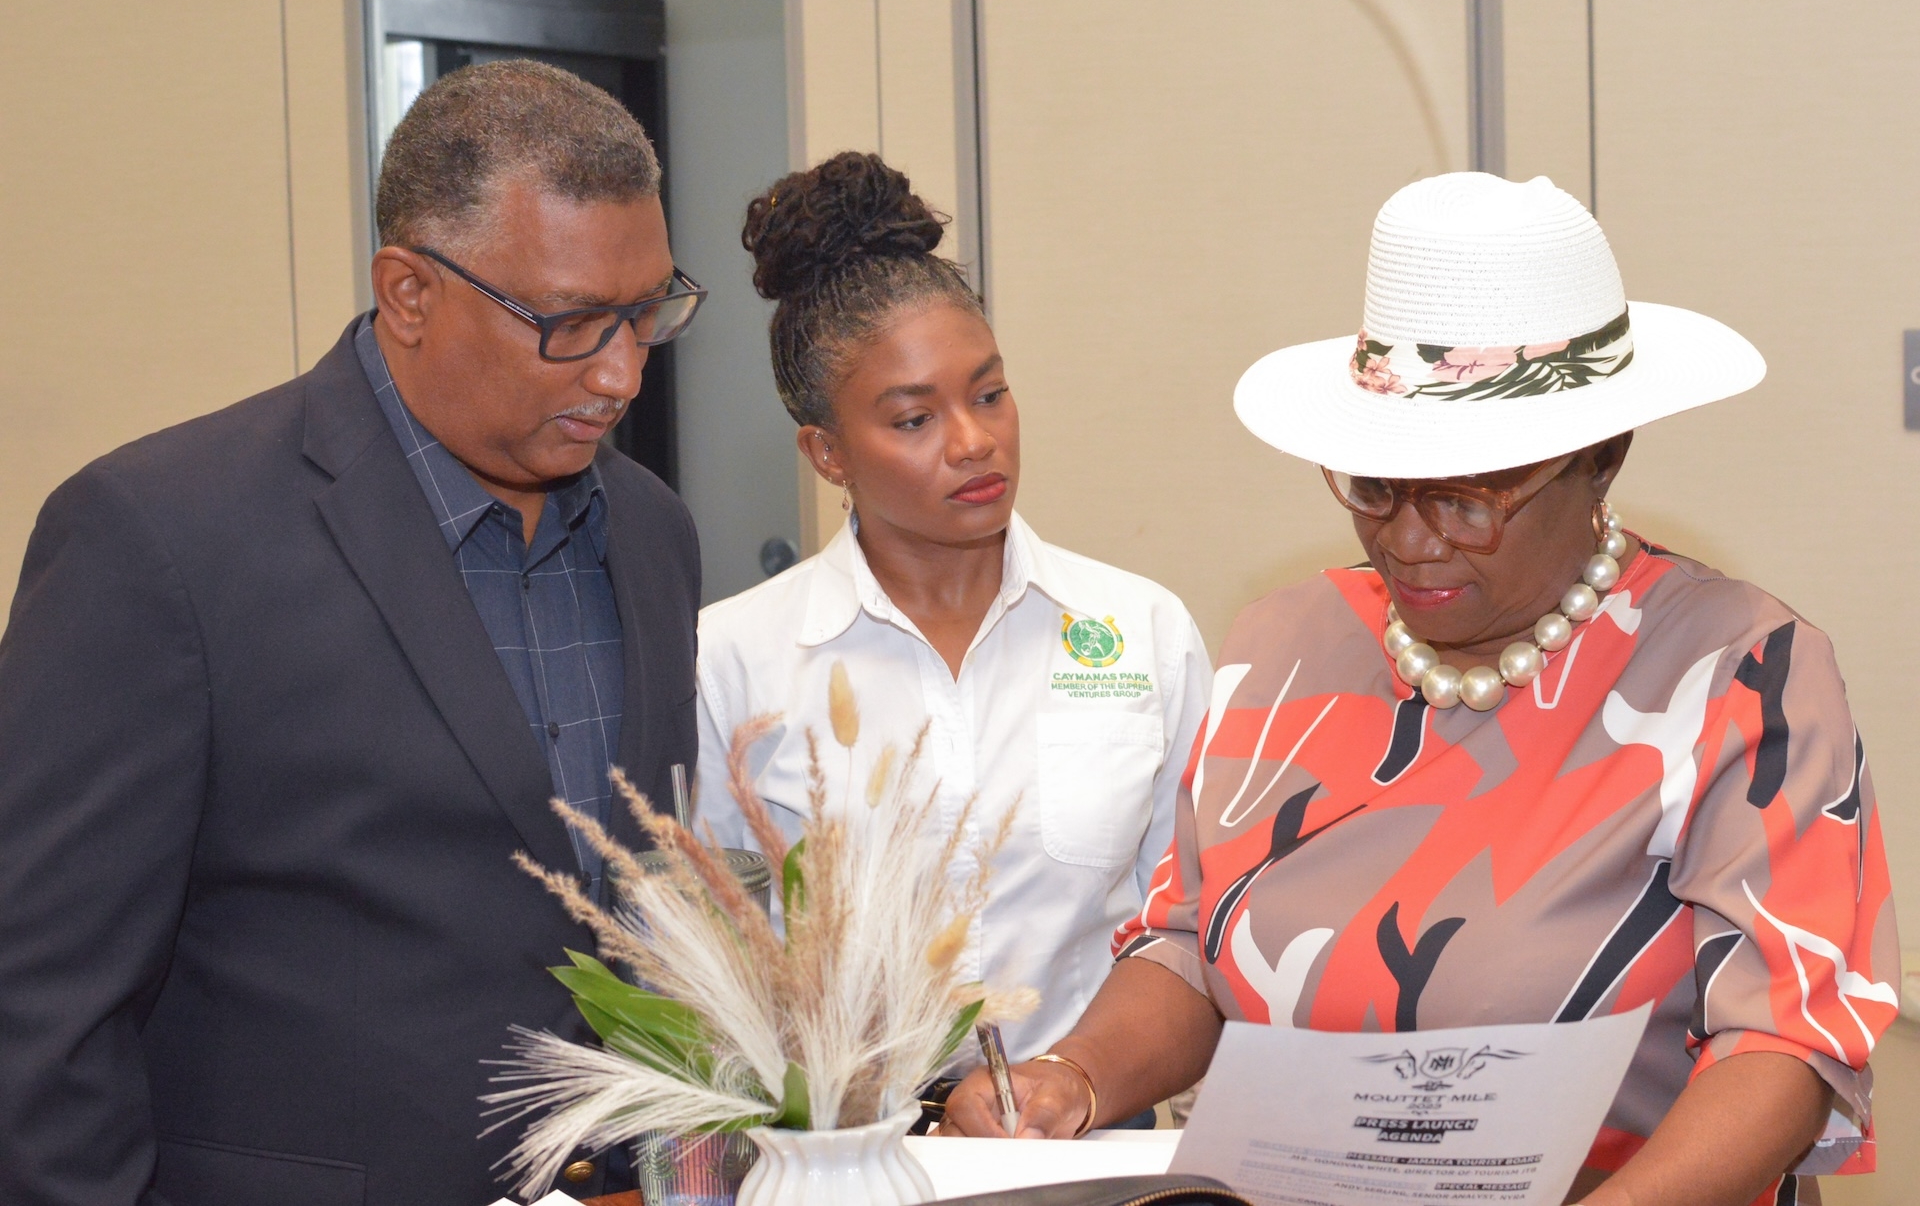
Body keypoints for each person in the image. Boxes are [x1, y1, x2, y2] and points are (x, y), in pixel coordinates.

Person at [940, 173, 1897, 1206]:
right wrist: (1071, 1078)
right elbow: (1190, 945)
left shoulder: (1741, 670)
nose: (1410, 535)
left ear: (1600, 458)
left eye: (1472, 494)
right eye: (1378, 484)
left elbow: (1789, 1042)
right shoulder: (1283, 644)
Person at [0, 60, 706, 1206]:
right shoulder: (162, 538)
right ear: (410, 291)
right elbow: (37, 1002)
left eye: (648, 311)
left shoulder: (653, 533)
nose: (622, 372)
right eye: (572, 324)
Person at [693, 153, 1212, 1091]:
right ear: (827, 452)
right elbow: (707, 970)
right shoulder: (735, 659)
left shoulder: (1142, 629)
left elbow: (1190, 934)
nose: (974, 441)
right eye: (912, 419)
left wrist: (1075, 1082)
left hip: (1087, 1144)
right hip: (846, 1164)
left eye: (988, 393)